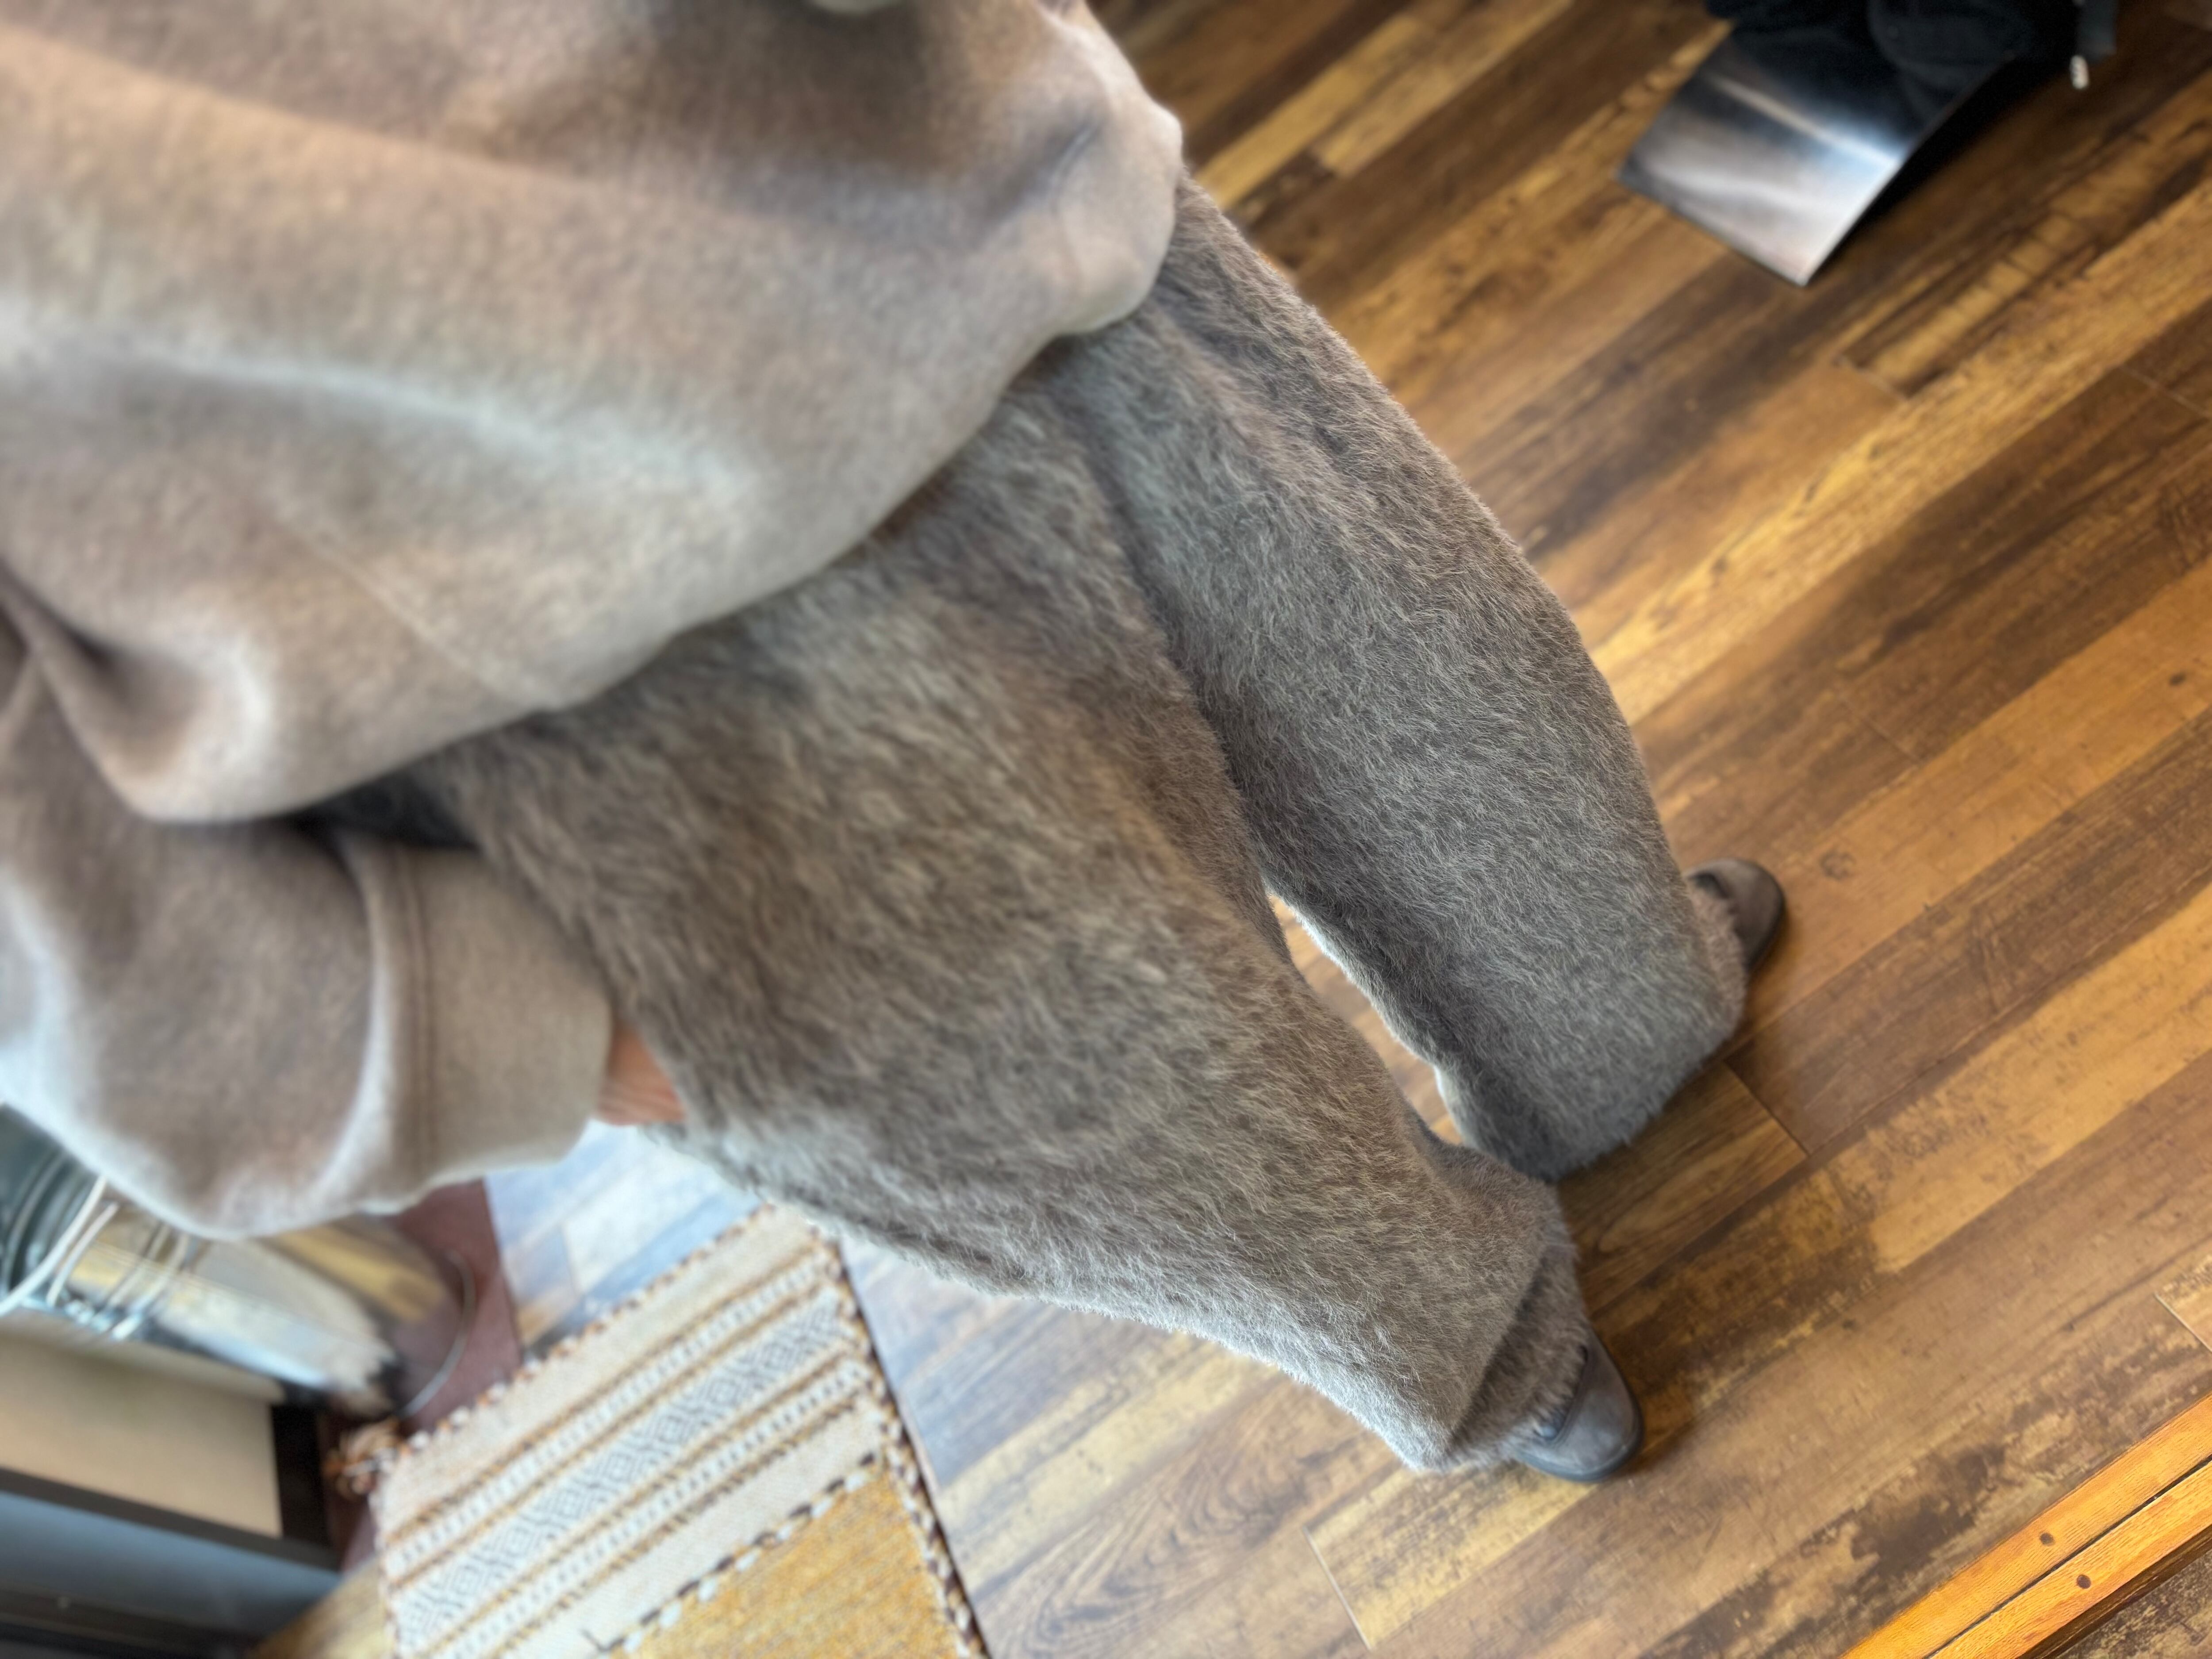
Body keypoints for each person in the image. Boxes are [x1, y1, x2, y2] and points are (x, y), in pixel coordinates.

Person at [0, 0, 1780, 1483]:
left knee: (1455, 712)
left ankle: (1617, 1034)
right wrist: (417, 1028)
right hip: (557, 692)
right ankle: (1487, 1358)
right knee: (1184, 1147)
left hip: (961, 181)